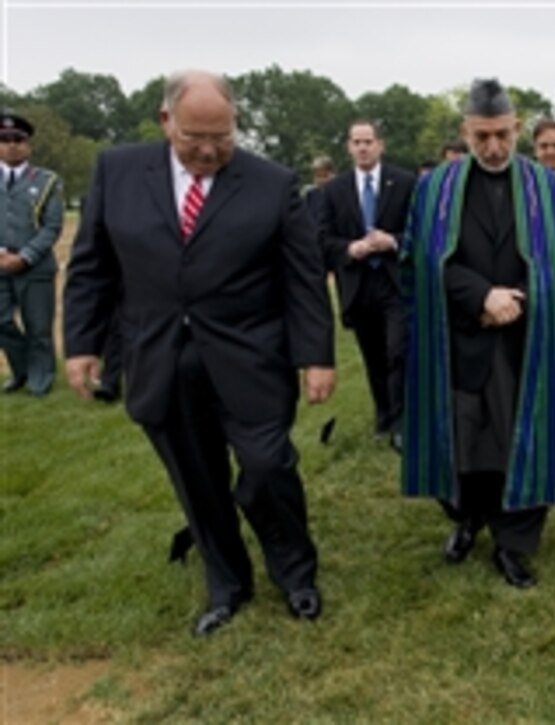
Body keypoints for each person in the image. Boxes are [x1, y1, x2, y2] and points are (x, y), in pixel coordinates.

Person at [64, 70, 336, 636]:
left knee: (266, 467)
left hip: (251, 358)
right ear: (166, 122)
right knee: (197, 478)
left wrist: (317, 356)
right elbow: (94, 264)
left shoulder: (272, 183)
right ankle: (227, 582)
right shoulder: (117, 172)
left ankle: (295, 573)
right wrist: (83, 344)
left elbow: (303, 278)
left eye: (223, 136)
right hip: (159, 357)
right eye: (194, 138)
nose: (210, 150)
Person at [400, 78, 555, 588]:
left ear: (517, 127)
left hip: (529, 341)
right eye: (481, 136)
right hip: (459, 337)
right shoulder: (433, 190)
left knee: (525, 439)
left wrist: (517, 297)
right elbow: (418, 260)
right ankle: (468, 520)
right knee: (464, 438)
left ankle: (515, 543)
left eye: (502, 135)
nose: (493, 148)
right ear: (465, 131)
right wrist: (479, 298)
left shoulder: (551, 188)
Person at [316, 119, 415, 448]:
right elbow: (321, 239)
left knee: (397, 350)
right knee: (373, 354)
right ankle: (384, 417)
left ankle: (402, 423)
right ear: (348, 146)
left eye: (368, 141)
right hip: (357, 284)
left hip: (394, 281)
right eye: (356, 142)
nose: (362, 147)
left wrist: (394, 241)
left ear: (380, 145)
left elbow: (421, 232)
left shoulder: (404, 183)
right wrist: (348, 248)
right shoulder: (333, 191)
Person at [0, 111, 64, 396]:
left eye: (18, 139)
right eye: (4, 139)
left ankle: (41, 378)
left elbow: (52, 227)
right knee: (1, 322)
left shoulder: (48, 181)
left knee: (39, 328)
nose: (11, 144)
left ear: (28, 145)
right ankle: (23, 369)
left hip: (35, 267)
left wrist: (24, 256)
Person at [303, 155, 336, 220]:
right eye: (318, 176)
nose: (321, 180)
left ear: (333, 174)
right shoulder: (311, 195)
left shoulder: (340, 194)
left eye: (325, 176)